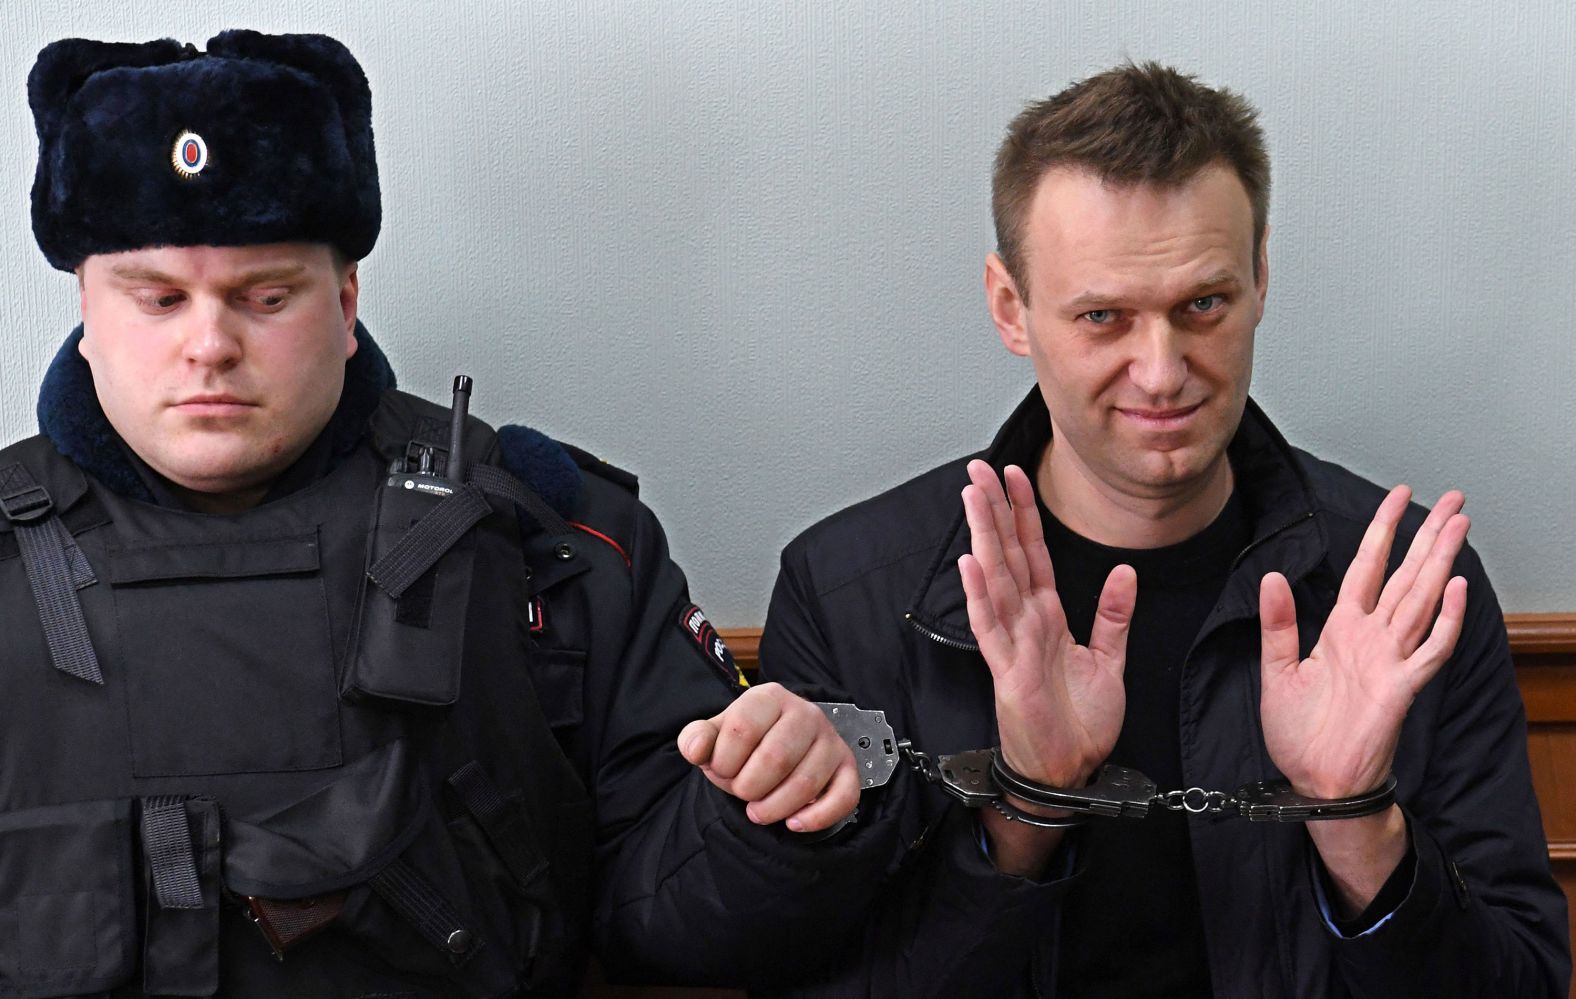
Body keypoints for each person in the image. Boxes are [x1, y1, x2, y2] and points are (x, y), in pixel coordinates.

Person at [1, 31, 880, 997]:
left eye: (264, 295)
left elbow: (675, 921)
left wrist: (786, 807)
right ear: (87, 314)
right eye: (159, 298)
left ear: (345, 302)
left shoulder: (547, 535)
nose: (210, 344)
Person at [757, 62, 1571, 997]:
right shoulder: (847, 592)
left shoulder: (1401, 590)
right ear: (1010, 308)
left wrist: (1355, 819)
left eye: (1204, 306)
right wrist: (1028, 802)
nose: (1161, 371)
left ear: (1260, 276)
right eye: (1103, 316)